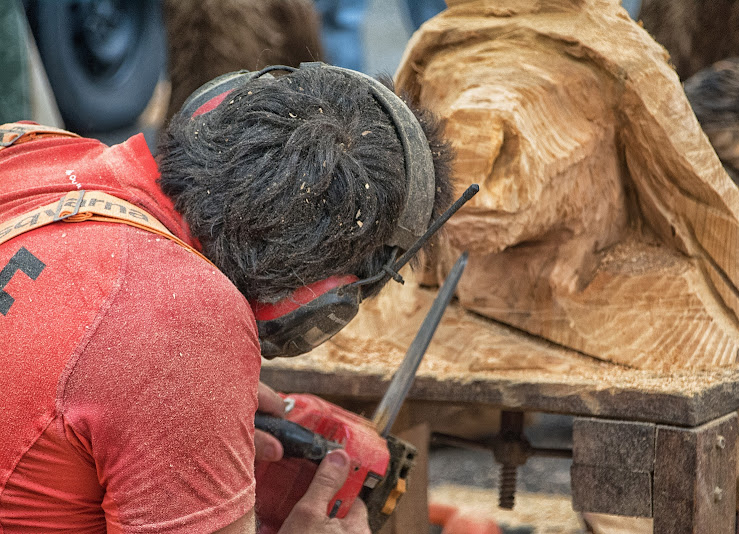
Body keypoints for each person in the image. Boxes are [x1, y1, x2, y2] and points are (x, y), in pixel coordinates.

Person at [0, 63, 452, 533]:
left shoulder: (31, 147)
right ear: (316, 303)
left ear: (214, 107)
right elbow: (142, 335)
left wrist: (183, 397)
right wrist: (189, 368)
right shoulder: (180, 319)